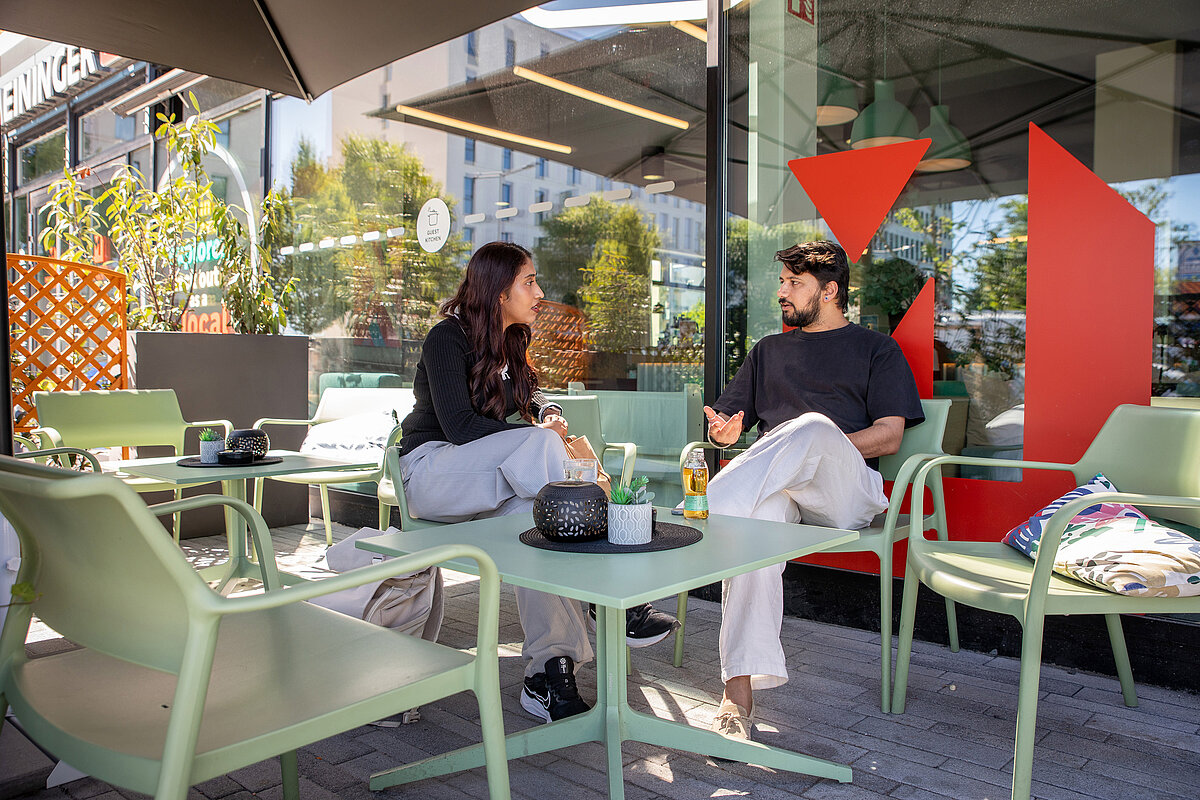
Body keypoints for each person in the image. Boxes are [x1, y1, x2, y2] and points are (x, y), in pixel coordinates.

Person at [398, 241, 676, 723]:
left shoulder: (510, 343)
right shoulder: (447, 338)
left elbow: (531, 399)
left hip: (486, 484)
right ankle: (606, 591)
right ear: (498, 290)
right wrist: (536, 434)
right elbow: (461, 429)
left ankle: (549, 675)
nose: (540, 292)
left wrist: (546, 411)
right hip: (431, 472)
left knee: (538, 526)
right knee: (544, 448)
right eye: (529, 281)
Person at [700, 240, 924, 742]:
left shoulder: (876, 349)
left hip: (846, 491)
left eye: (794, 283)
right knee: (752, 538)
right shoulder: (768, 351)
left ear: (830, 291)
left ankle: (699, 520)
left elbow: (889, 434)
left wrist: (816, 443)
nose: (782, 292)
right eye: (782, 282)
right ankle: (736, 698)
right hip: (779, 490)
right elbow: (728, 421)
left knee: (813, 428)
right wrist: (724, 432)